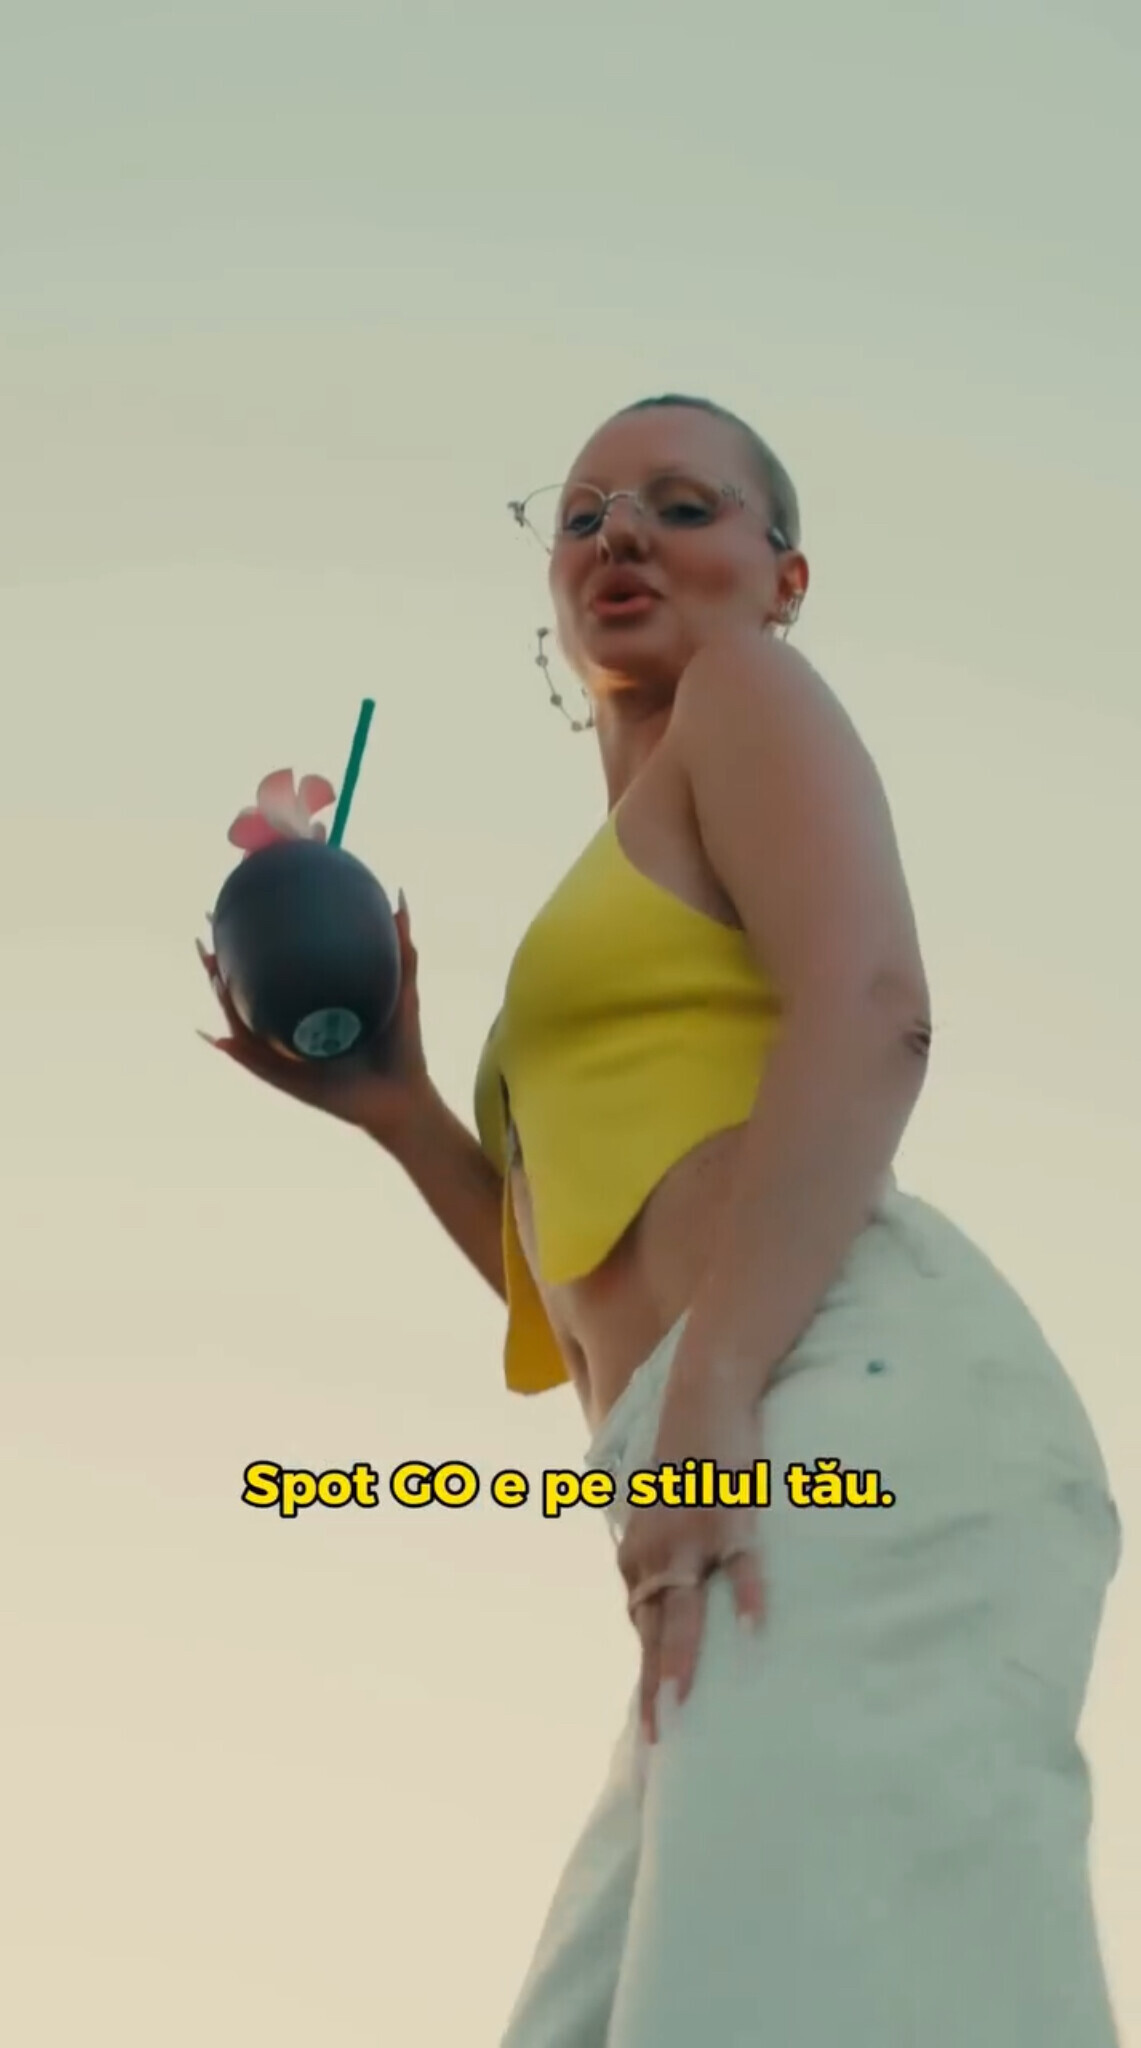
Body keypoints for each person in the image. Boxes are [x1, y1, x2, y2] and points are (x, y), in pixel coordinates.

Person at [199, 394, 1122, 2045]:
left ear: (784, 577)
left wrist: (711, 1403)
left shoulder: (745, 693)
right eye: (582, 514)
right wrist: (400, 1106)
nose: (618, 530)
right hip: (717, 1442)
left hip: (827, 1398)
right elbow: (575, 1277)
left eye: (680, 504)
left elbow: (876, 1008)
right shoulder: (604, 881)